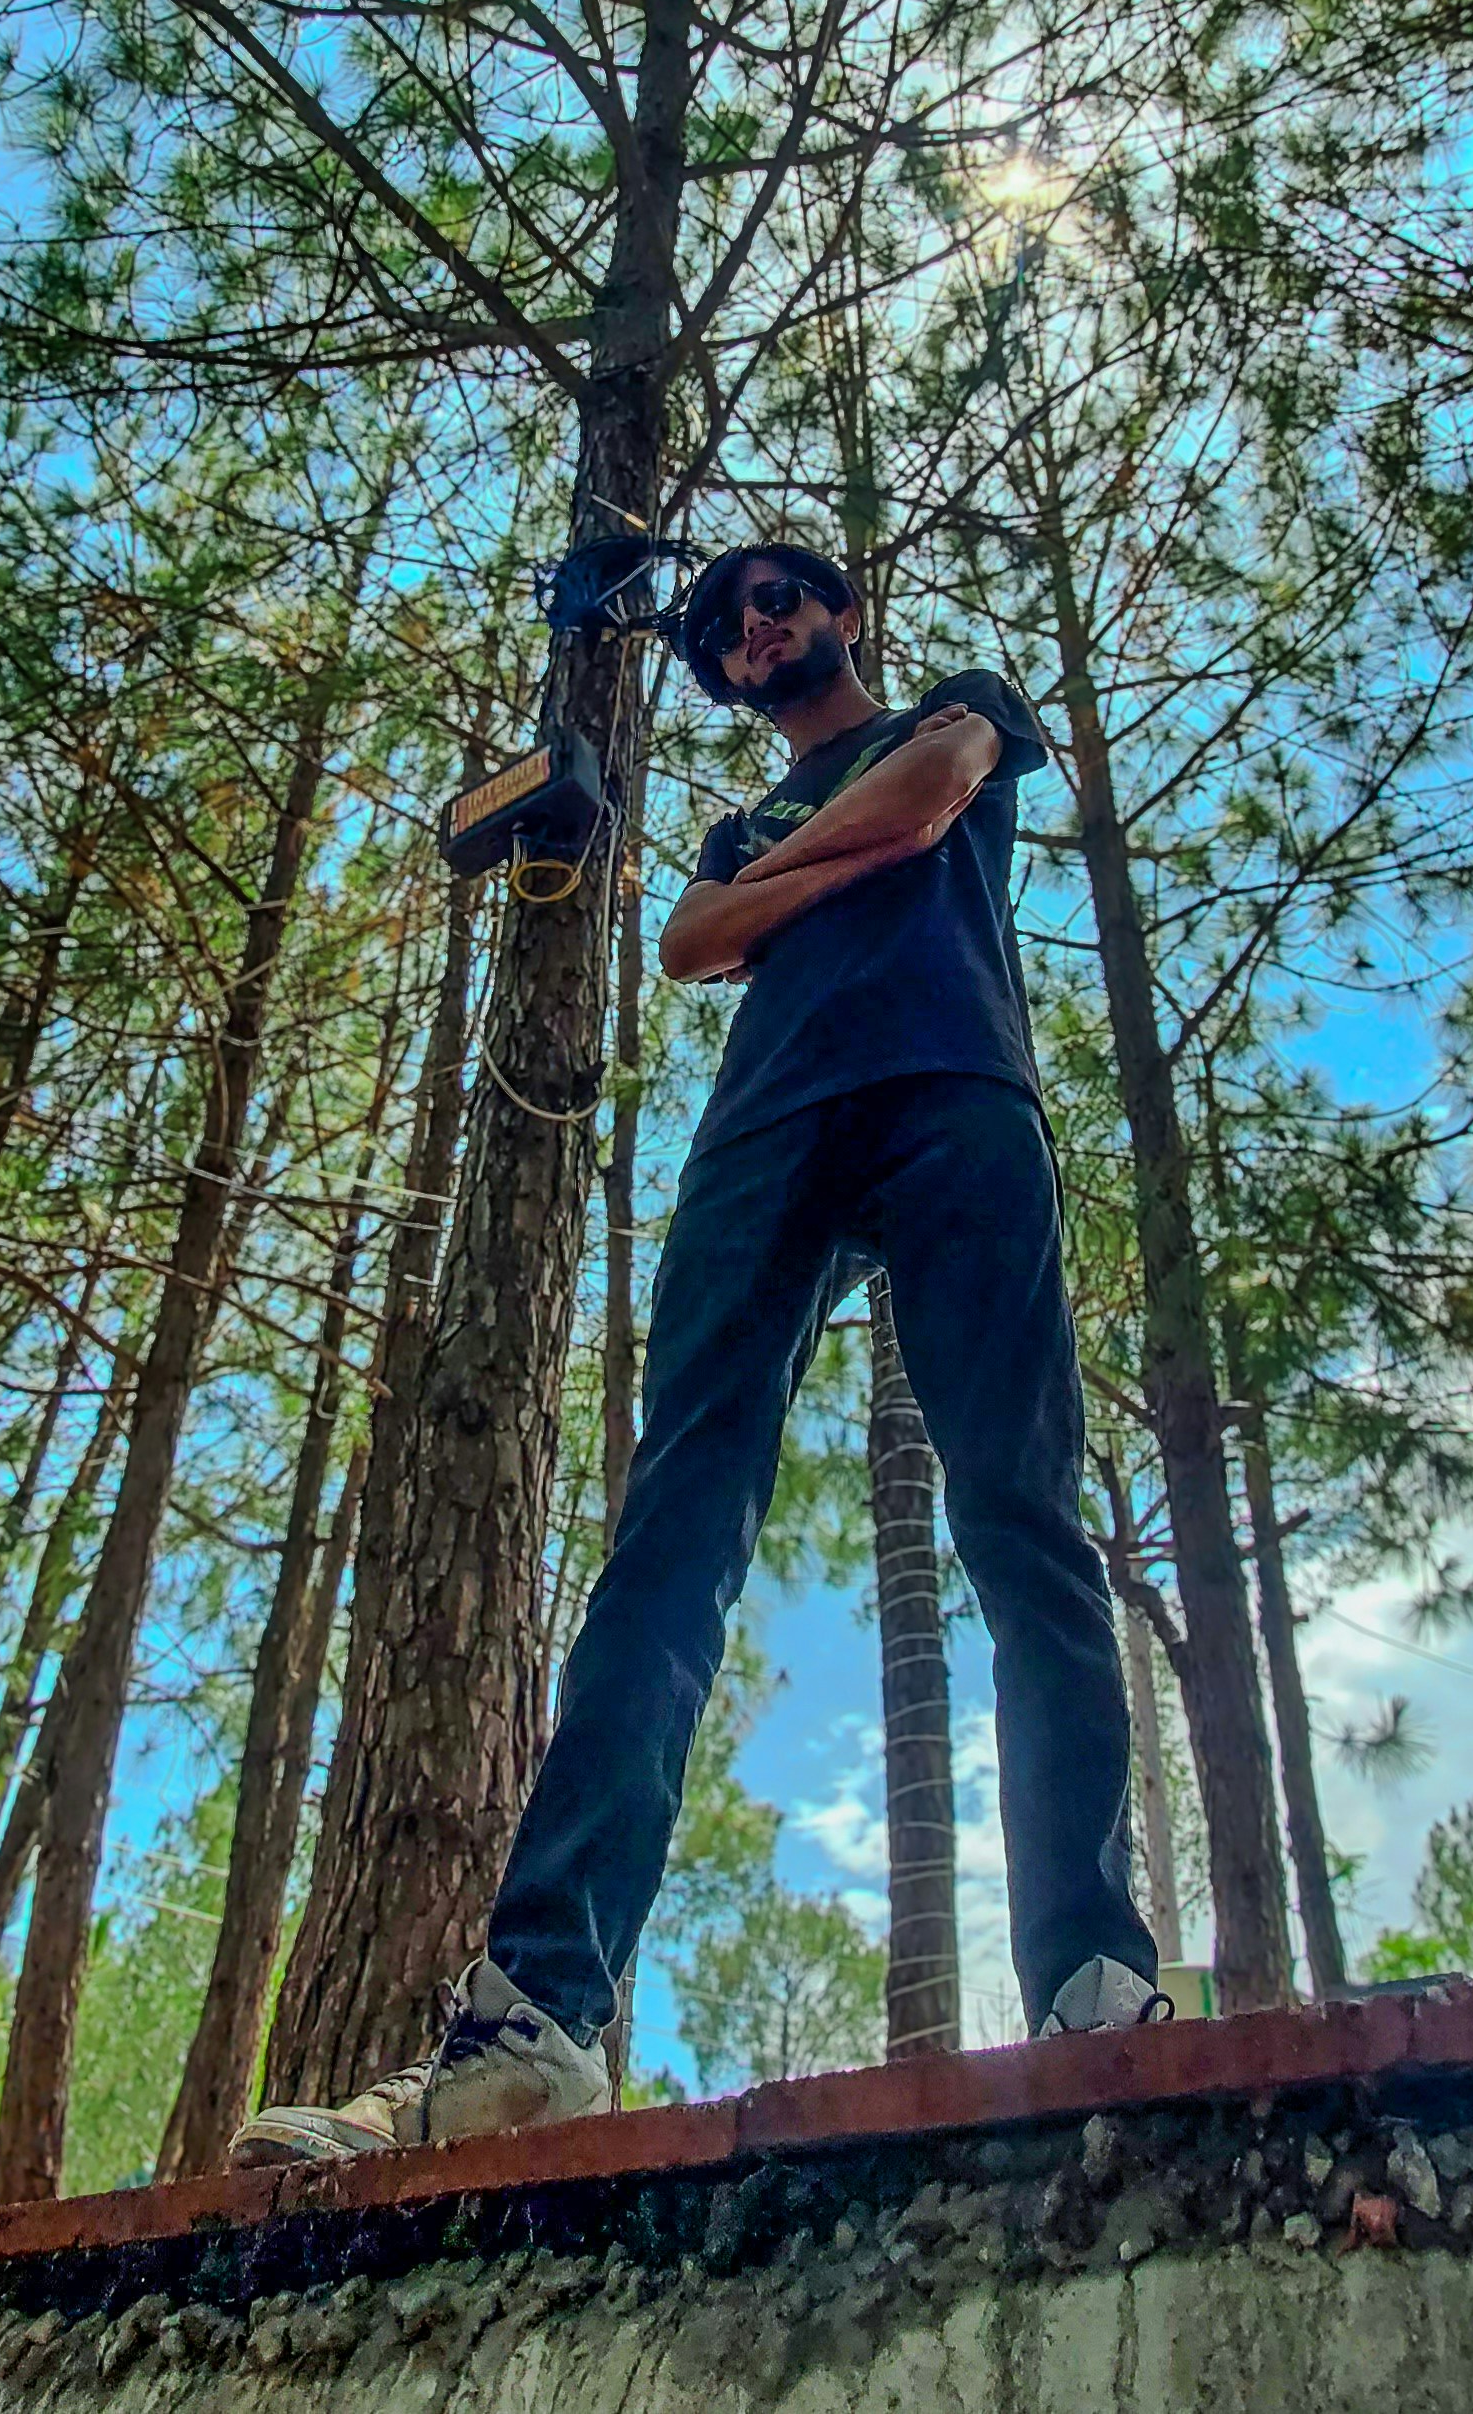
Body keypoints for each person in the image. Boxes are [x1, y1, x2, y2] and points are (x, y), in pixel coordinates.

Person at [232, 538, 1159, 2166]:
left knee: (1022, 1513)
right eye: (727, 621)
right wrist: (819, 868)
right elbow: (688, 938)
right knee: (670, 1537)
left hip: (957, 1097)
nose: (752, 624)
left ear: (842, 608)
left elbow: (929, 800)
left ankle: (1093, 1985)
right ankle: (531, 2022)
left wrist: (794, 881)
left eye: (779, 595)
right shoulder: (735, 821)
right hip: (765, 1131)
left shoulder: (959, 703)